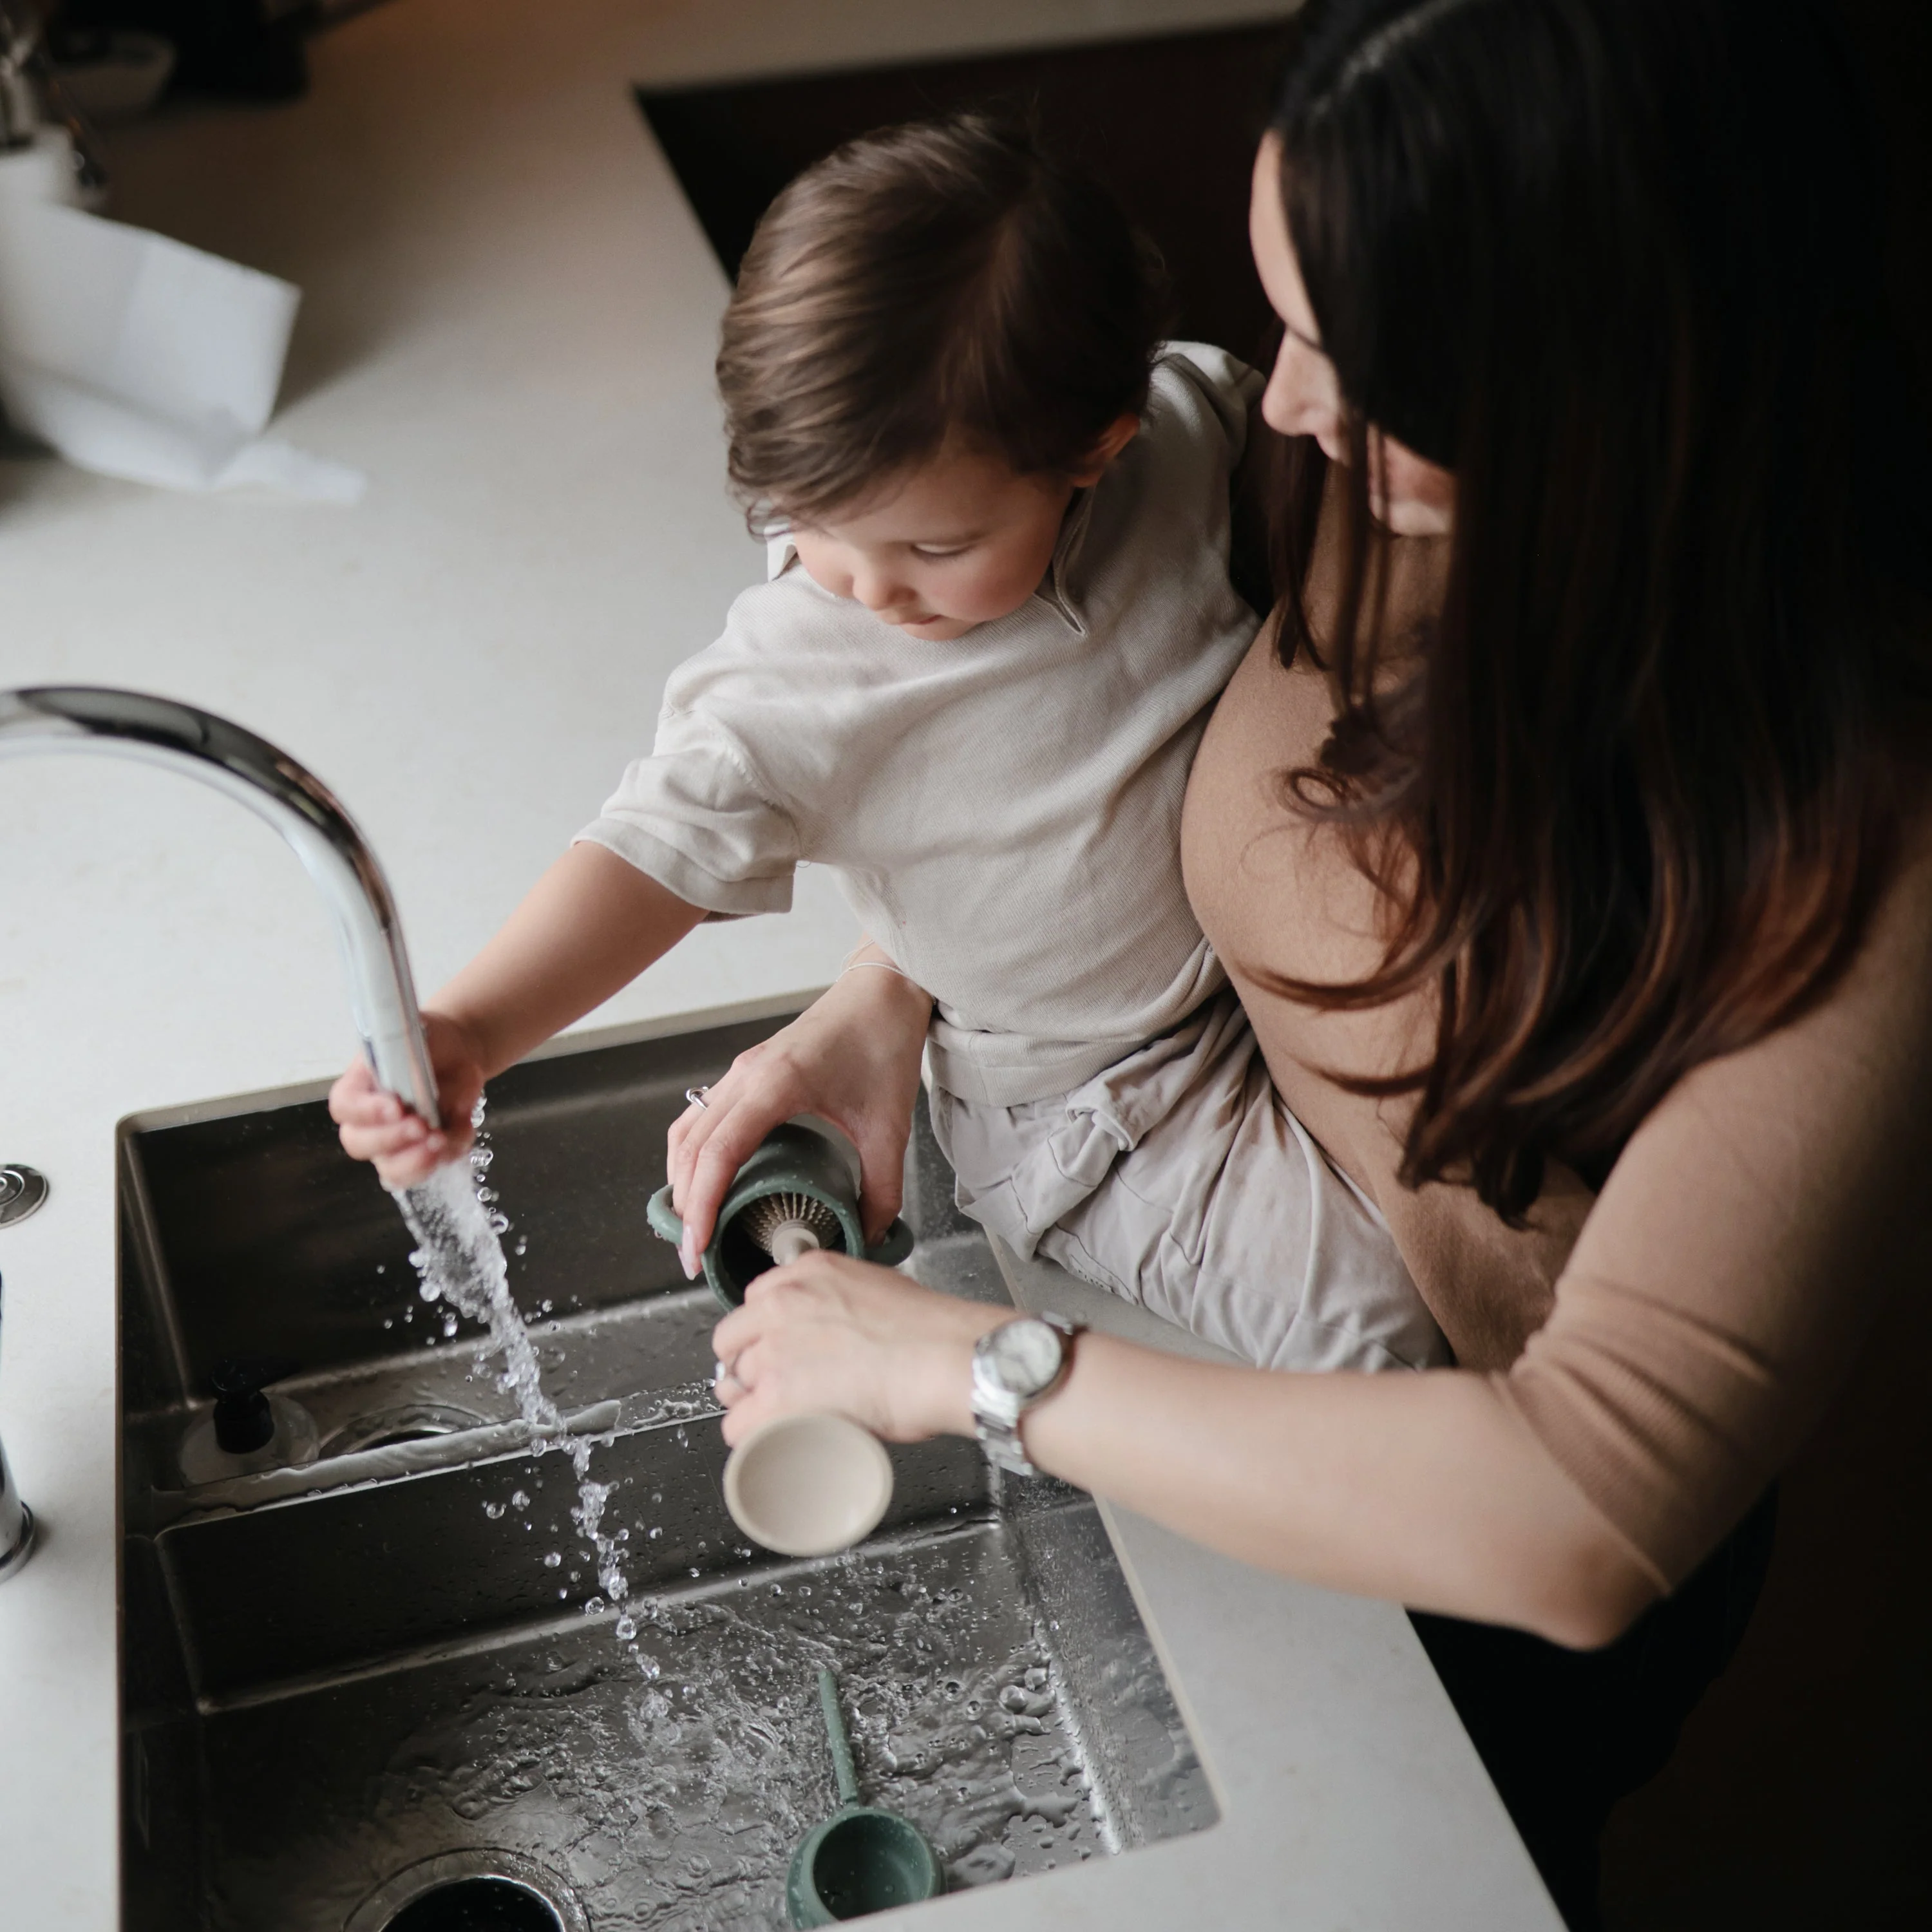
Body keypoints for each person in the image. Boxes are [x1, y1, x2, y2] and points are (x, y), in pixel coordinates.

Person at [666, 2, 1932, 1925]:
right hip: (1235, 1313)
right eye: (1289, 321)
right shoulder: (1360, 482)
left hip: (1480, 1554)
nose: (1280, 401)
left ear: (1606, 377)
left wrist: (975, 1367)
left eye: (1358, 357)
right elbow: (1107, 741)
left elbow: (1588, 1507)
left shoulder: (1863, 850)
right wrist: (892, 986)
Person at [330, 112, 1448, 1377]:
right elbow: (649, 850)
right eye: (809, 521)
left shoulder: (1193, 427)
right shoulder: (805, 673)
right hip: (1096, 1112)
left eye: (935, 547)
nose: (867, 586)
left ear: (1099, 445)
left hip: (1252, 989)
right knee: (1386, 1329)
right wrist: (473, 1029)